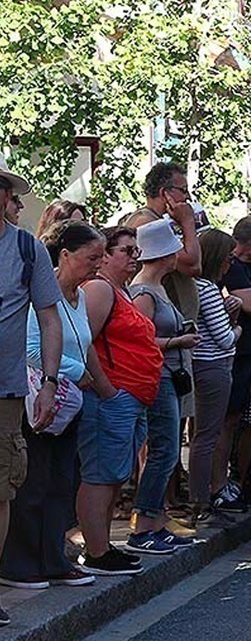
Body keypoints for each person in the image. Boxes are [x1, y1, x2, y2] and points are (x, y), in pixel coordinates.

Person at [1, 221, 111, 591]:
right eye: (91, 257)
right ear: (64, 255)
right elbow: (32, 349)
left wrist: (101, 385)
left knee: (61, 483)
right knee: (32, 483)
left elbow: (85, 344)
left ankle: (52, 558)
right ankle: (20, 562)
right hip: (38, 399)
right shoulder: (41, 300)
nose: (98, 265)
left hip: (69, 404)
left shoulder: (79, 298)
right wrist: (73, 373)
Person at [0, 163, 64, 624]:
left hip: (5, 391)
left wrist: (48, 382)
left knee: (1, 490)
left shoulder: (26, 248)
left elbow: (49, 318)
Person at [80, 228, 164, 576]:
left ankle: (103, 547)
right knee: (101, 473)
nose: (134, 256)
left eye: (135, 251)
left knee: (115, 474)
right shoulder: (99, 289)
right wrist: (106, 388)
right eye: (126, 250)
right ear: (106, 256)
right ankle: (96, 551)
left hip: (130, 398)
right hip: (112, 396)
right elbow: (84, 340)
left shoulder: (122, 292)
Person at [125, 219, 198, 555]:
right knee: (164, 450)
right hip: (160, 377)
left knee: (166, 451)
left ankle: (153, 522)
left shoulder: (157, 287)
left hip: (170, 375)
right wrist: (178, 340)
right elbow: (140, 341)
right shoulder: (143, 292)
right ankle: (143, 526)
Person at [211, 216, 251, 512]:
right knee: (225, 422)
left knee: (235, 421)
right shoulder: (234, 269)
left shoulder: (249, 270)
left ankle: (226, 482)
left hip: (245, 354)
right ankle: (217, 485)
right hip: (231, 355)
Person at [188, 228, 241, 524]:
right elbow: (224, 337)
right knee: (206, 436)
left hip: (200, 364)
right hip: (213, 365)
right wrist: (237, 327)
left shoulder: (189, 286)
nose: (229, 265)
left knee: (200, 435)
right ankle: (201, 501)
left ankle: (199, 498)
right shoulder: (206, 288)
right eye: (228, 259)